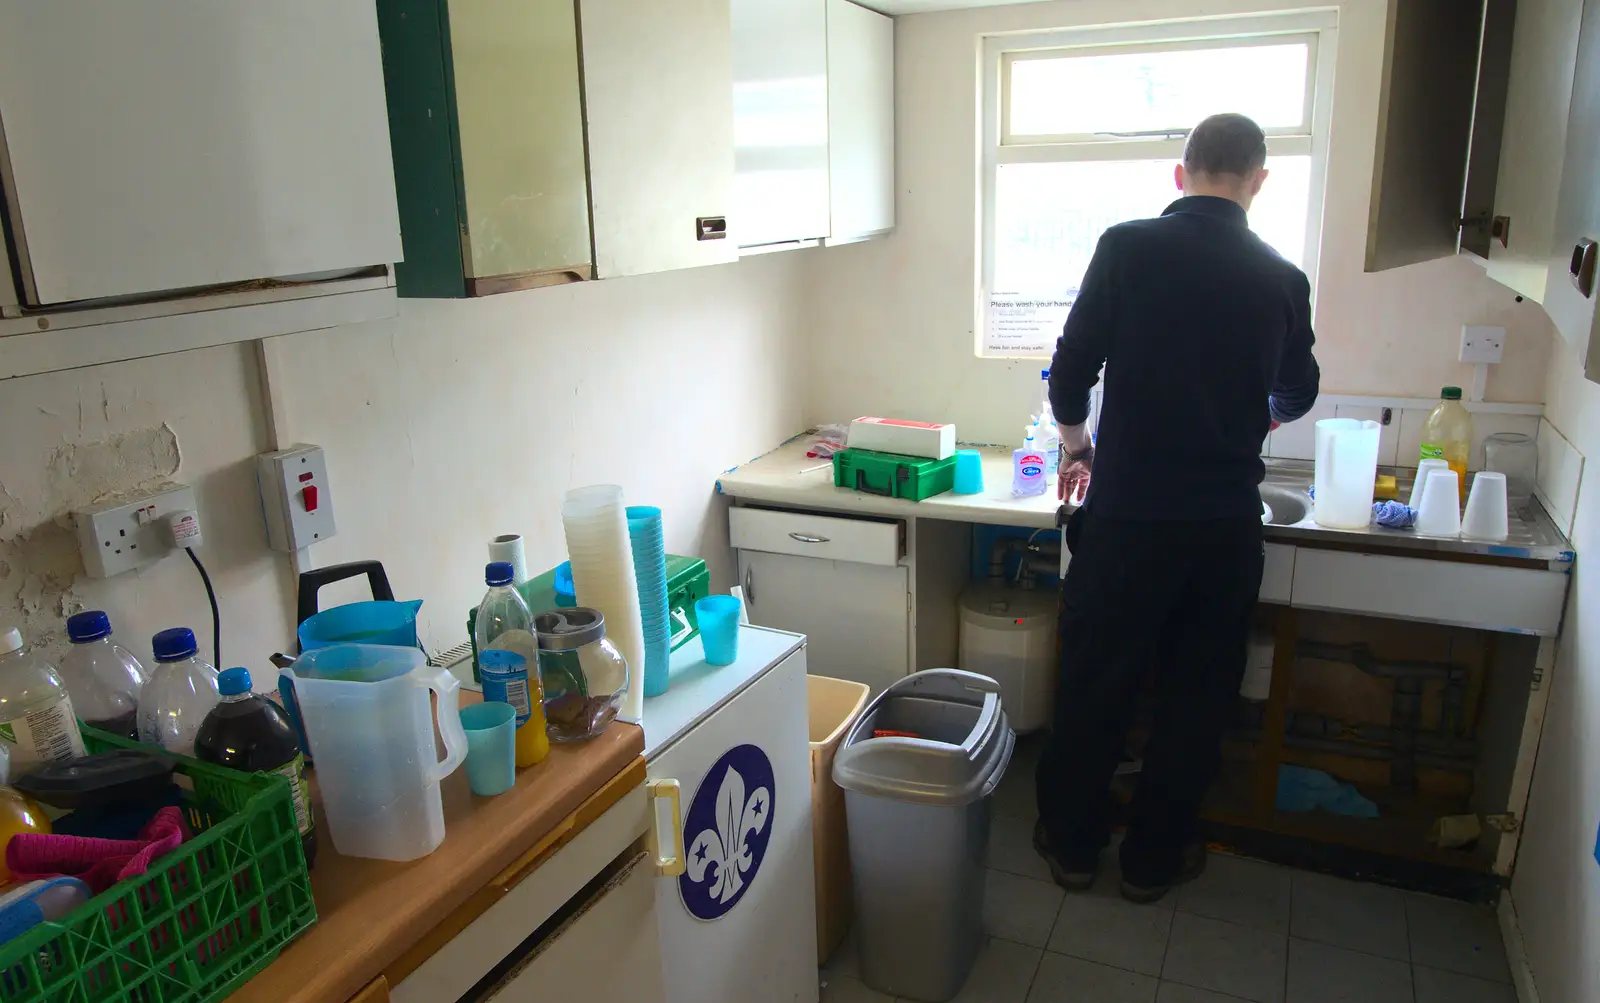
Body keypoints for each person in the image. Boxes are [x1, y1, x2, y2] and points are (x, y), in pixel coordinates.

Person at [1033, 112, 1320, 903]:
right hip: (1223, 531)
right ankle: (1154, 861)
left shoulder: (1126, 247)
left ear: (1180, 172)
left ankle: (1074, 847)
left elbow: (1068, 374)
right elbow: (1299, 391)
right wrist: (1259, 412)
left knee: (1097, 685)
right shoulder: (1282, 278)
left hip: (1128, 524)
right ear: (1258, 182)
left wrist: (1076, 445)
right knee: (1197, 699)